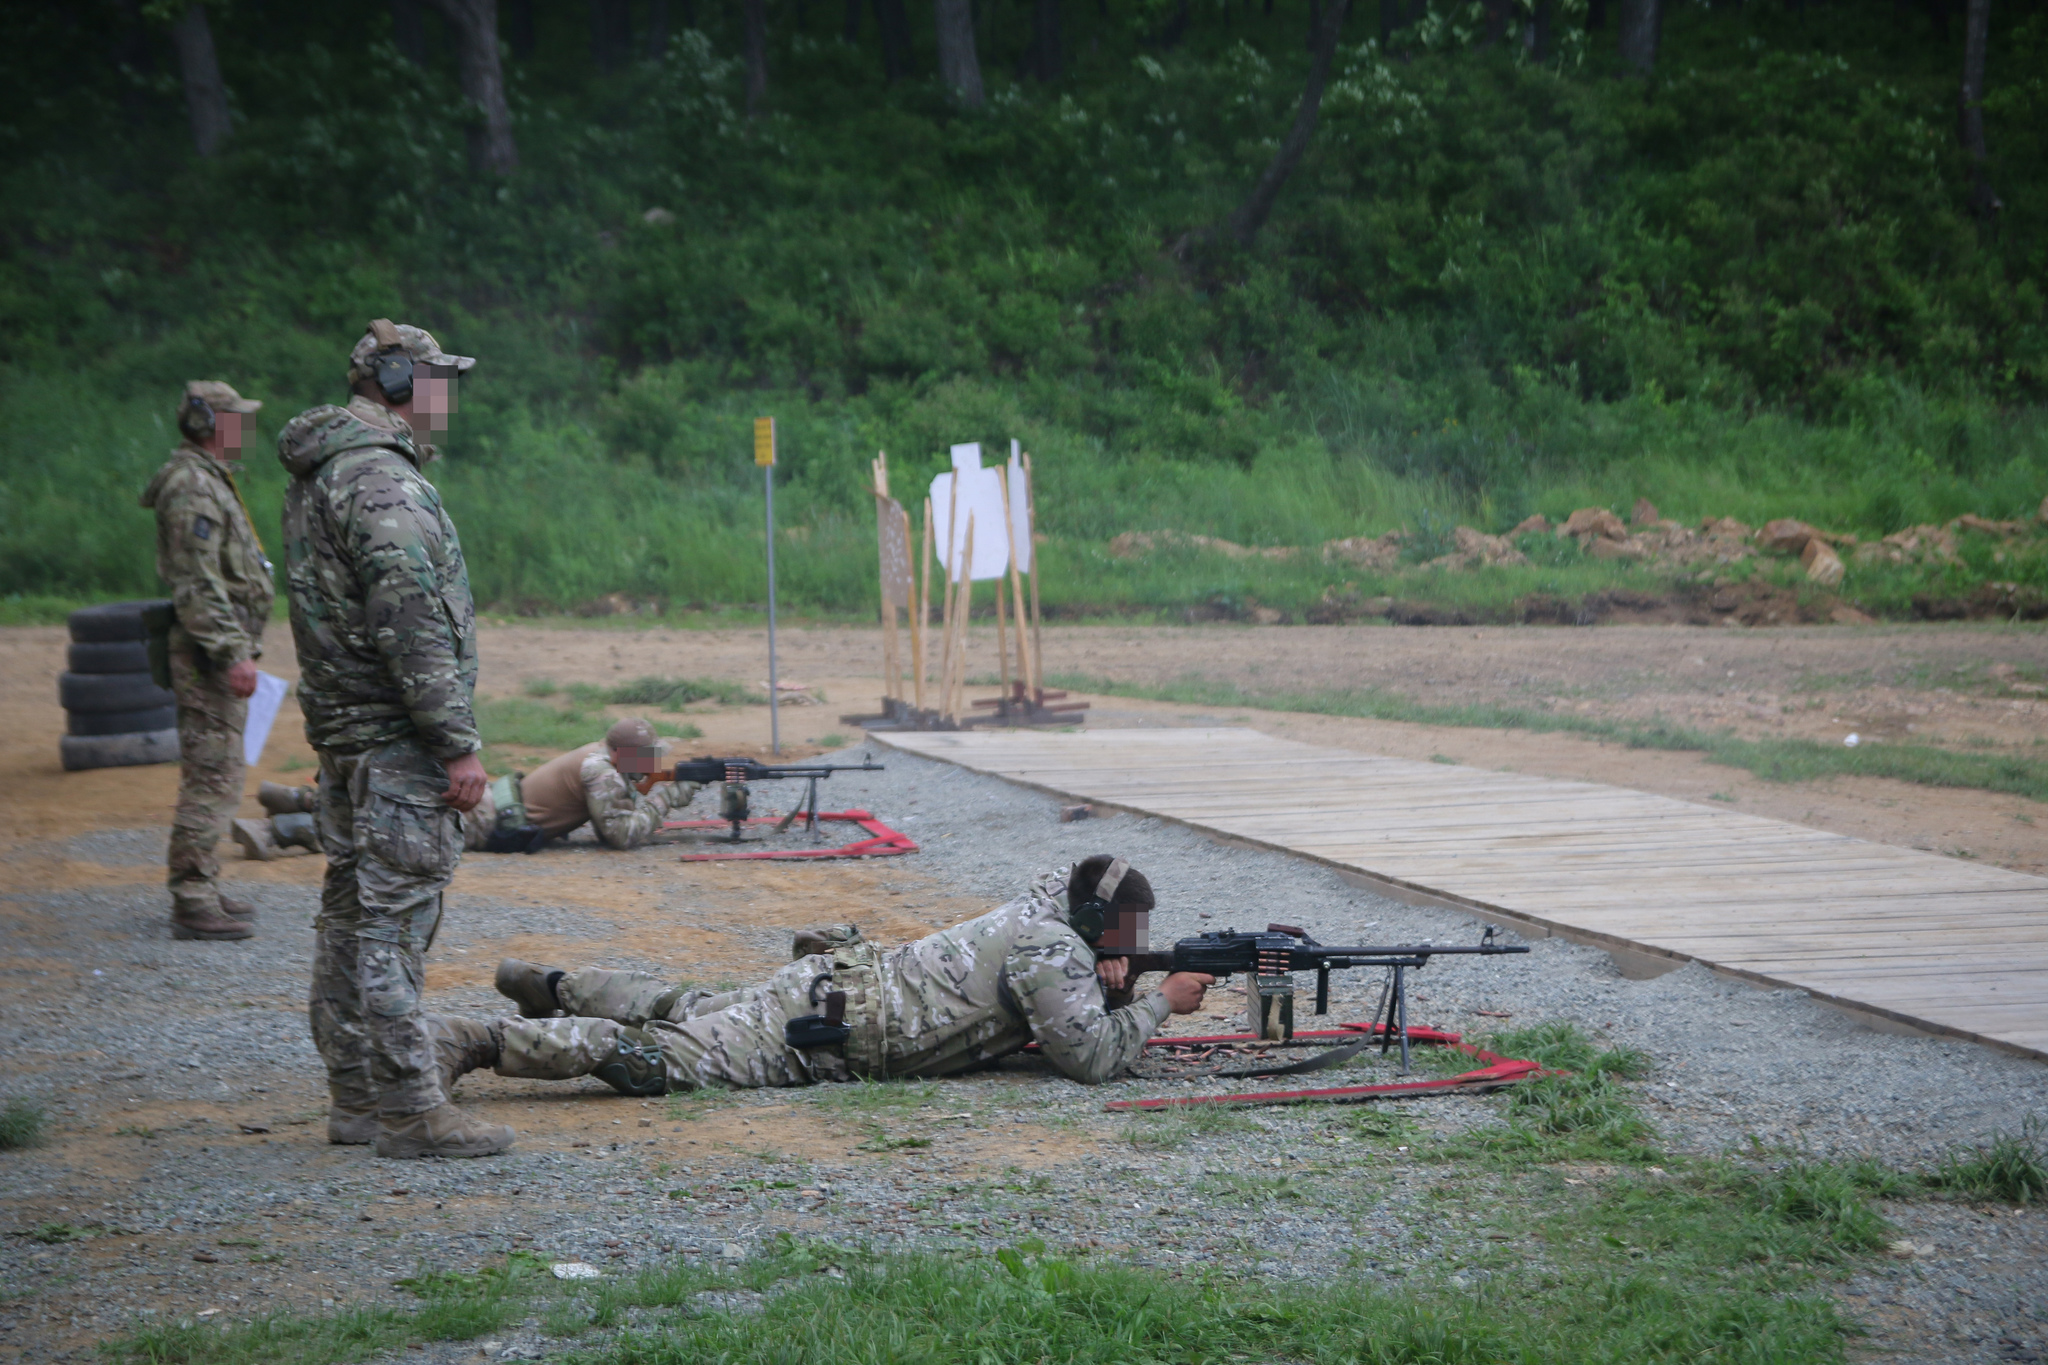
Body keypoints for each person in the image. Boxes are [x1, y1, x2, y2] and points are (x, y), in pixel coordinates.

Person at [277, 318, 510, 1160]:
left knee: (348, 916)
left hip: (346, 735)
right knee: (391, 926)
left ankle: (358, 1096)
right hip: (394, 740)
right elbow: (409, 620)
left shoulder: (325, 472)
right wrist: (455, 744)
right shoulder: (380, 479)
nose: (449, 395)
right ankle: (411, 1108)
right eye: (439, 377)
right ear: (400, 379)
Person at [434, 856, 1214, 1097]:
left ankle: (558, 984)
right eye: (1125, 935)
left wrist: (1110, 981)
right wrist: (1155, 1005)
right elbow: (1086, 1057)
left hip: (834, 980)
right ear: (1091, 927)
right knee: (661, 1058)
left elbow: (1074, 928)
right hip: (831, 1031)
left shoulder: (1043, 907)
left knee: (697, 1004)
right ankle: (483, 1038)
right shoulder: (1055, 951)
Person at [140, 381, 272, 942]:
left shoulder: (210, 479)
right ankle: (192, 897)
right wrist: (230, 651)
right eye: (236, 419)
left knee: (222, 770)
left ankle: (203, 885)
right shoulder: (194, 485)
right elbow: (197, 580)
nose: (245, 428)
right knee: (211, 774)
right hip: (207, 654)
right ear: (208, 423)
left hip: (215, 650)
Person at [231, 716, 701, 859]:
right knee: (394, 835)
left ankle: (295, 799)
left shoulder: (598, 753)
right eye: (645, 758)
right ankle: (285, 830)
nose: (651, 764)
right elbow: (617, 836)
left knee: (401, 808)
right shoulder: (600, 771)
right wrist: (663, 797)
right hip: (489, 820)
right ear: (622, 756)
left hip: (496, 802)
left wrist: (654, 784)